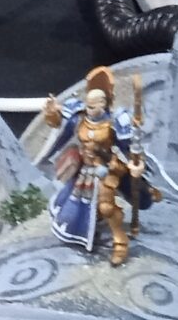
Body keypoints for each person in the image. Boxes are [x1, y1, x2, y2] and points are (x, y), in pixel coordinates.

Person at [38, 65, 166, 266]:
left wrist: (136, 163)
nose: (90, 109)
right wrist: (51, 113)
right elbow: (58, 124)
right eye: (88, 105)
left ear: (104, 103)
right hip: (85, 168)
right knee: (79, 202)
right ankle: (91, 220)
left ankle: (120, 242)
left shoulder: (114, 122)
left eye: (94, 106)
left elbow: (127, 146)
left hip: (106, 168)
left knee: (106, 206)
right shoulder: (79, 115)